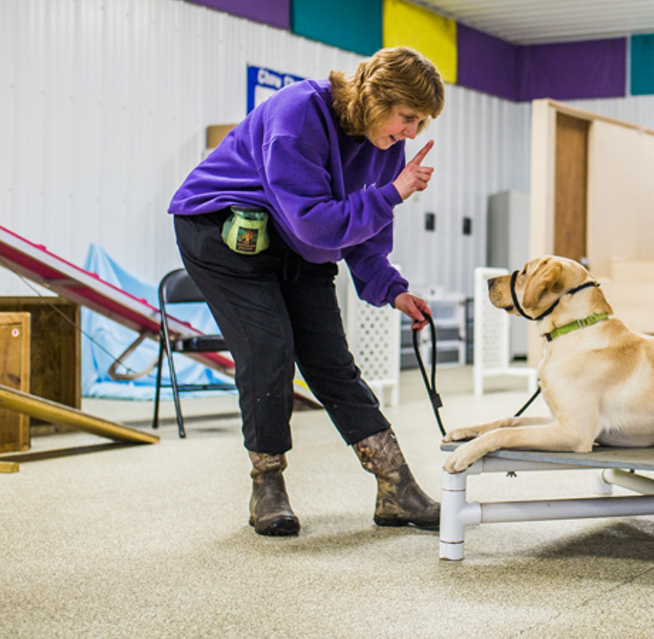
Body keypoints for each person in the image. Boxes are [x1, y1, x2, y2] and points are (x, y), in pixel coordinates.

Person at [167, 46, 445, 536]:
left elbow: (364, 233)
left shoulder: (387, 149)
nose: (411, 132)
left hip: (295, 236)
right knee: (269, 346)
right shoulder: (299, 114)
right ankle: (267, 484)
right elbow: (317, 224)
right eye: (407, 117)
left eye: (421, 123)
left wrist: (391, 289)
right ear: (375, 97)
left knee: (331, 360)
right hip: (221, 228)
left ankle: (396, 485)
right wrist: (393, 193)